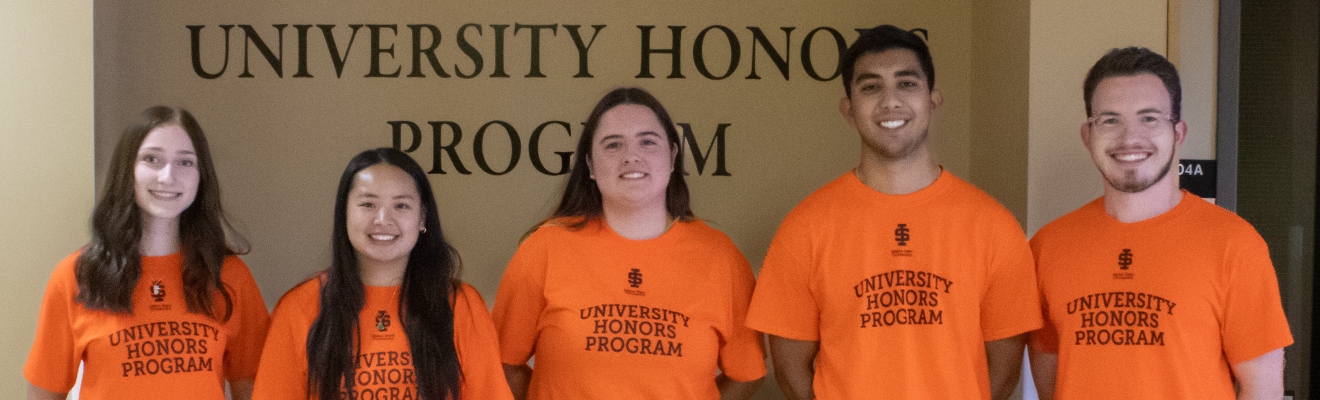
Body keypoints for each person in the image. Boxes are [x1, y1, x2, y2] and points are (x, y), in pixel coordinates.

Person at [744, 25, 1042, 399]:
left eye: (907, 83)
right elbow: (790, 367)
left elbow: (1004, 367)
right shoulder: (805, 227)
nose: (890, 101)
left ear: (933, 99)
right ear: (848, 109)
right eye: (871, 87)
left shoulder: (994, 225)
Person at [1027, 47, 1292, 399]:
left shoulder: (1234, 244)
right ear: (1088, 135)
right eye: (1110, 120)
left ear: (1178, 132)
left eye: (1149, 118)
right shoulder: (1049, 246)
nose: (1129, 138)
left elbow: (1263, 387)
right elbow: (1052, 380)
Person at [493, 87, 766, 400]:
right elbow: (502, 364)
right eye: (613, 144)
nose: (631, 156)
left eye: (648, 141)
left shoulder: (720, 257)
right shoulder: (545, 248)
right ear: (591, 166)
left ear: (673, 156)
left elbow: (747, 374)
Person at [24, 106, 270, 399]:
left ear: (200, 176)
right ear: (128, 169)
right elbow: (45, 391)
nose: (168, 176)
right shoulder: (77, 276)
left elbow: (253, 387)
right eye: (152, 159)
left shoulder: (229, 276)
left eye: (185, 162)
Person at [251, 148, 512, 400]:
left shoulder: (461, 305)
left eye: (401, 206)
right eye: (368, 204)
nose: (383, 219)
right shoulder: (299, 308)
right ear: (344, 213)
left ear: (422, 218)